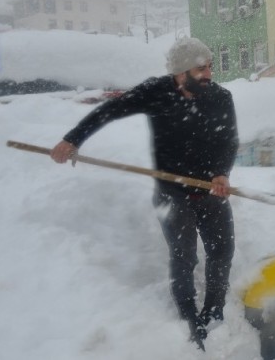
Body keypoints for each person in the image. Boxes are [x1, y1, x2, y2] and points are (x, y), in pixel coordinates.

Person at [50, 37, 239, 351]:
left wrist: (222, 172)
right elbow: (110, 111)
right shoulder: (156, 92)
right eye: (200, 68)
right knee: (184, 257)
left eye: (209, 67)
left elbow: (228, 139)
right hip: (172, 195)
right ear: (181, 72)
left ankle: (215, 308)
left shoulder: (219, 96)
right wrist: (73, 140)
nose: (208, 74)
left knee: (221, 252)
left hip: (211, 191)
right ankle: (188, 313)